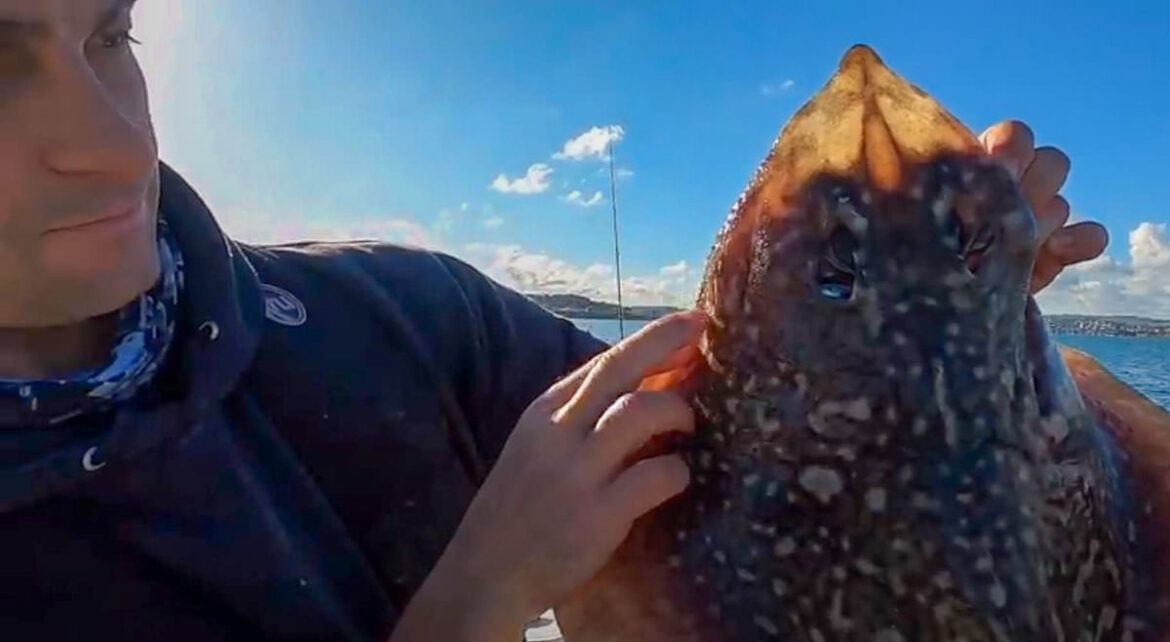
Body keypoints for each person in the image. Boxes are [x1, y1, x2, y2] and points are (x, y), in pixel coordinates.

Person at [0, 2, 1128, 641]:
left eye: (112, 34)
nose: (116, 142)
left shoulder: (401, 319)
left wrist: (923, 330)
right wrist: (477, 597)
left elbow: (738, 446)